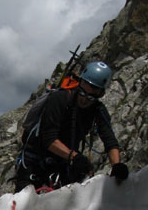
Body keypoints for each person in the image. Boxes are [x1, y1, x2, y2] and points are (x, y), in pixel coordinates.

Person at [15, 61, 129, 192]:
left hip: (62, 163)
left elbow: (109, 140)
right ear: (80, 83)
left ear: (101, 94)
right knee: (24, 207)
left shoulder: (97, 110)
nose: (84, 100)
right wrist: (75, 157)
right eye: (82, 93)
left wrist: (117, 166)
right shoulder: (59, 99)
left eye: (91, 97)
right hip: (34, 162)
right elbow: (49, 139)